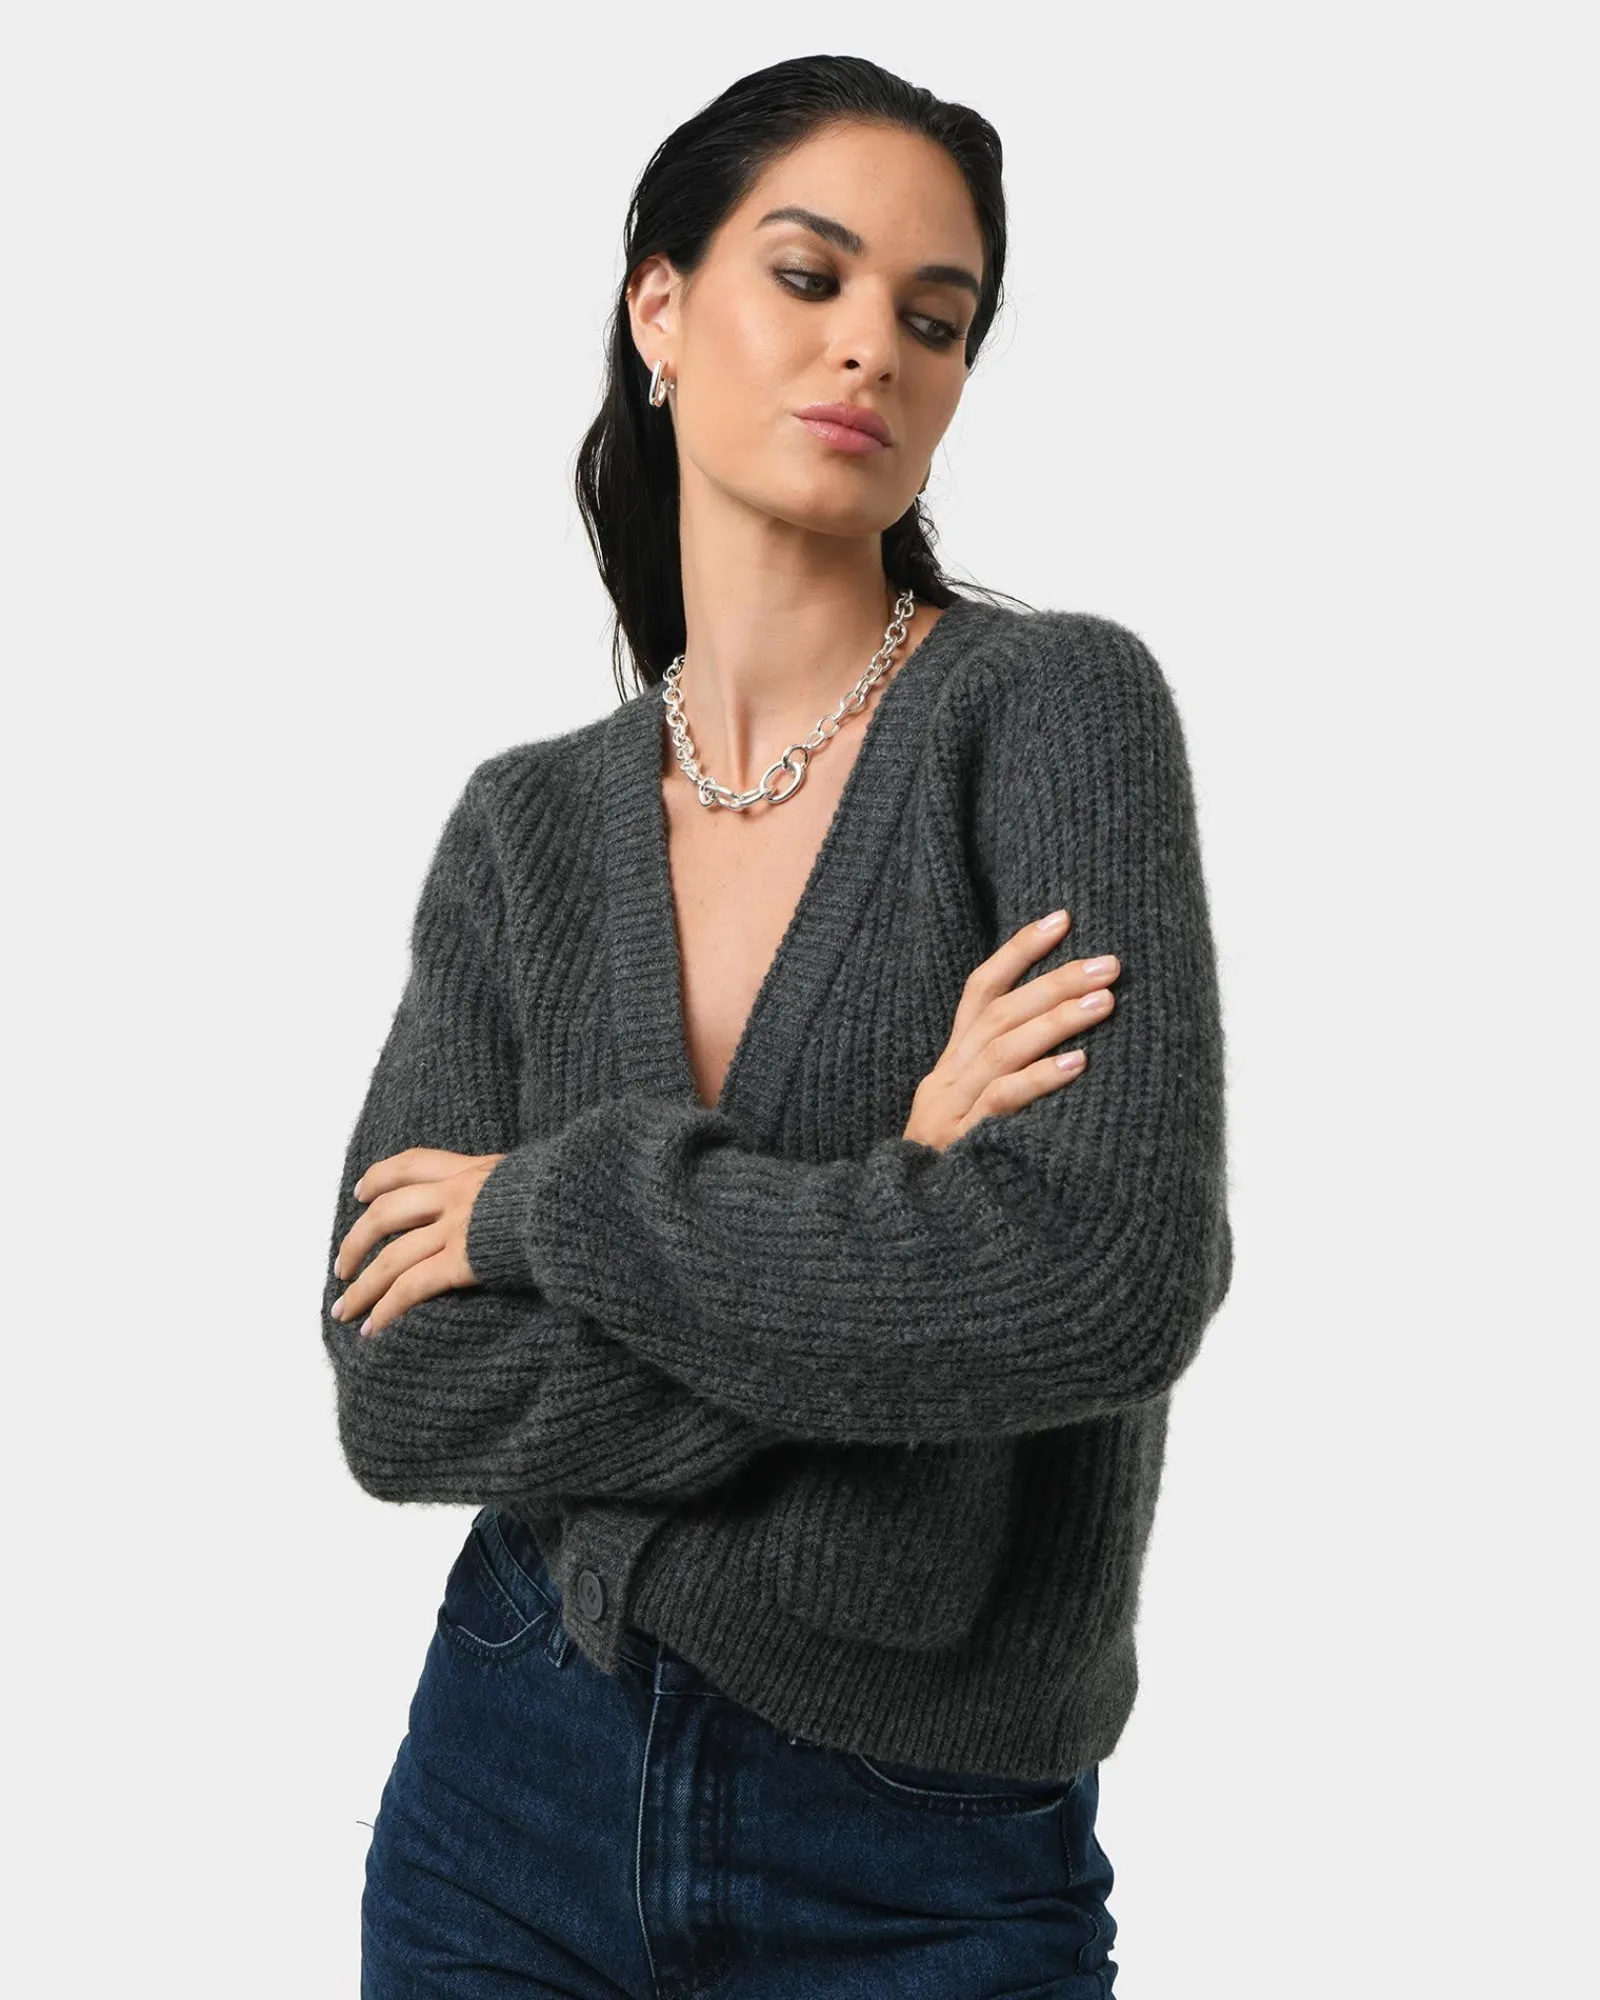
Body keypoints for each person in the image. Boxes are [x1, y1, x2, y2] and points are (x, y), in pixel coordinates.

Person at [322, 52, 1233, 1998]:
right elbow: (404, 1396)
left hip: (921, 1854)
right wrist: (900, 1190)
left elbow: (1101, 1278)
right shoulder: (526, 828)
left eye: (936, 317)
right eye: (808, 277)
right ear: (658, 308)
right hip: (506, 1791)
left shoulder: (1051, 716)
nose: (873, 348)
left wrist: (548, 1208)